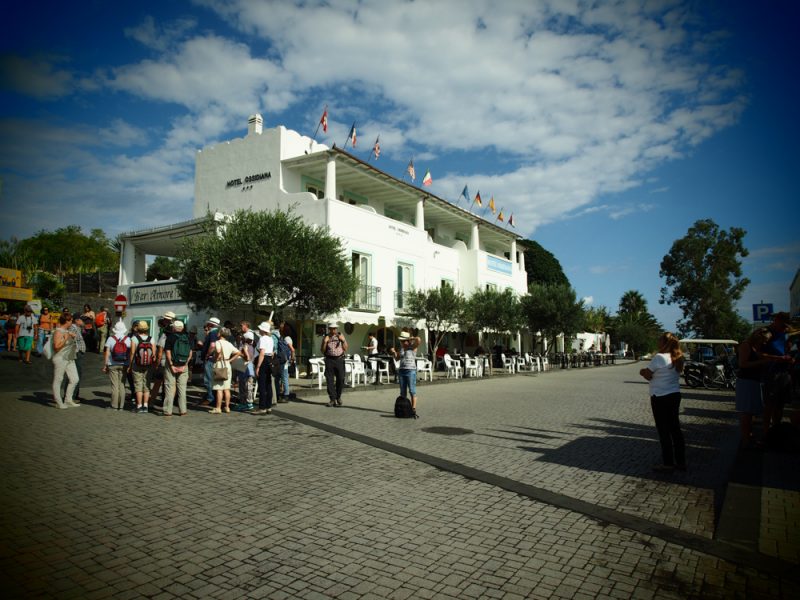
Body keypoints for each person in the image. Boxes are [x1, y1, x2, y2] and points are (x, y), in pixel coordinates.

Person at [639, 332, 686, 472]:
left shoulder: (659, 358)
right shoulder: (678, 357)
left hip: (660, 396)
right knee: (675, 429)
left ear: (664, 343)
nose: (657, 342)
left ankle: (668, 463)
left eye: (659, 340)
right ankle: (681, 461)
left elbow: (647, 374)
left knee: (663, 430)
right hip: (674, 395)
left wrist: (642, 371)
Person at [735, 328, 780, 448]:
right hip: (746, 381)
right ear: (758, 337)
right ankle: (745, 440)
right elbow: (742, 364)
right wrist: (762, 362)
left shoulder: (755, 347)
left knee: (751, 412)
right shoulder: (746, 345)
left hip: (754, 381)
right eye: (765, 340)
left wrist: (777, 358)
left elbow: (764, 356)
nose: (765, 343)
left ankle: (749, 437)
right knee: (746, 412)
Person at [762, 312, 795, 433]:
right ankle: (766, 432)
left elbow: (785, 351)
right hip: (771, 373)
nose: (785, 328)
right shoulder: (766, 333)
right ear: (776, 320)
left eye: (786, 326)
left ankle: (776, 430)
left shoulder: (785, 333)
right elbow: (758, 354)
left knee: (781, 404)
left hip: (784, 372)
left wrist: (789, 356)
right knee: (770, 405)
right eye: (783, 325)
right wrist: (778, 358)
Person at [51, 314, 81, 409]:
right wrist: (66, 338)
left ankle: (68, 400)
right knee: (58, 379)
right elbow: (56, 347)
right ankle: (59, 402)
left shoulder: (66, 331)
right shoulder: (58, 332)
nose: (71, 322)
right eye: (71, 321)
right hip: (60, 358)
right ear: (67, 321)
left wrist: (71, 337)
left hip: (69, 358)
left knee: (75, 379)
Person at [163, 320, 192, 417]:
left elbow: (167, 352)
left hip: (172, 364)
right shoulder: (187, 338)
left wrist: (171, 365)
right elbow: (190, 353)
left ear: (173, 328)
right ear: (182, 328)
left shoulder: (170, 337)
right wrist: (185, 365)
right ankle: (183, 410)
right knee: (182, 388)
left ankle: (168, 411)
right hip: (184, 365)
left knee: (170, 387)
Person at [209, 327, 241, 414]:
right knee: (226, 388)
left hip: (219, 365)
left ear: (220, 333)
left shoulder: (218, 342)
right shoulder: (229, 343)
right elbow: (238, 352)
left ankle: (218, 408)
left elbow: (218, 351)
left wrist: (215, 358)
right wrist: (230, 360)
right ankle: (227, 407)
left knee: (219, 388)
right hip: (227, 365)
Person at [389, 331, 421, 415]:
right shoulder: (401, 348)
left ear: (408, 340)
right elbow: (397, 358)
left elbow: (419, 339)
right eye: (401, 341)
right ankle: (404, 409)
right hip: (402, 371)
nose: (402, 342)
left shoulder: (413, 347)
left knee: (412, 390)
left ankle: (413, 409)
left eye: (403, 341)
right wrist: (394, 352)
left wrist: (410, 338)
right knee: (403, 392)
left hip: (411, 371)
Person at [104, 320, 131, 411]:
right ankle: (121, 406)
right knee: (122, 385)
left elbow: (107, 352)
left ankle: (114, 406)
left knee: (114, 386)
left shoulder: (110, 338)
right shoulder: (128, 339)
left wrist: (105, 364)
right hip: (124, 364)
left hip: (113, 364)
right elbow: (131, 353)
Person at [129, 321, 155, 413]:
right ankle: (146, 406)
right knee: (147, 385)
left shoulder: (134, 338)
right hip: (149, 365)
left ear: (138, 329)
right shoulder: (151, 339)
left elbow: (132, 353)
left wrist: (130, 365)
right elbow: (154, 354)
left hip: (137, 364)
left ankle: (139, 406)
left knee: (138, 385)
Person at [150, 312, 176, 406]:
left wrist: (156, 364)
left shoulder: (164, 336)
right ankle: (169, 404)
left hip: (164, 361)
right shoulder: (179, 335)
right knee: (171, 384)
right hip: (174, 362)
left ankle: (151, 403)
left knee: (157, 383)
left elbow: (160, 352)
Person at [321, 322, 348, 407]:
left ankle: (338, 397)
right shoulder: (326, 336)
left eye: (335, 328)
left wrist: (343, 340)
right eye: (332, 328)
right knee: (329, 380)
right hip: (329, 360)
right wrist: (325, 342)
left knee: (341, 378)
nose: (333, 330)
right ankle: (332, 399)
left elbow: (346, 348)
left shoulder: (340, 336)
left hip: (339, 359)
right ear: (329, 329)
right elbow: (322, 350)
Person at [253, 321, 275, 415]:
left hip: (263, 360)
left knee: (262, 384)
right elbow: (272, 352)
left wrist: (258, 366)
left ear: (262, 330)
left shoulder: (262, 339)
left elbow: (262, 353)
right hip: (269, 359)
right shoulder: (271, 339)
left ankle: (262, 407)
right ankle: (268, 406)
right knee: (268, 384)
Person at [200, 317, 221, 407]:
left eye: (208, 324)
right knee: (213, 379)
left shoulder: (212, 333)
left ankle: (210, 398)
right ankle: (213, 398)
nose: (207, 325)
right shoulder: (218, 333)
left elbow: (212, 345)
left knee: (208, 379)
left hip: (210, 359)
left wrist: (207, 354)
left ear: (211, 325)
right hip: (215, 358)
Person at [66, 315, 88, 402]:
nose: (84, 322)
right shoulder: (73, 328)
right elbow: (69, 339)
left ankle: (75, 395)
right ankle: (71, 396)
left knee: (78, 374)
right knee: (75, 375)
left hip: (79, 353)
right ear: (77, 320)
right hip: (76, 353)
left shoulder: (78, 328)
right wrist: (76, 350)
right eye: (82, 320)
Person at [237, 330, 257, 411]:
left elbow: (247, 357)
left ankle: (244, 403)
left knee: (243, 386)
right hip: (250, 368)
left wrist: (243, 352)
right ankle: (249, 403)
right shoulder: (253, 347)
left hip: (244, 368)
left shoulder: (245, 346)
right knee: (249, 386)